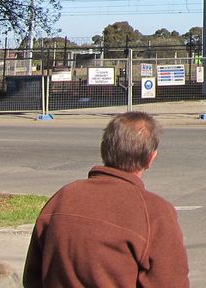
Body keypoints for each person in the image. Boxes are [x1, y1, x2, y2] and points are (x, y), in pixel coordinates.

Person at [23, 111, 190, 288]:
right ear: (151, 158)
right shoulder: (155, 213)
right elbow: (170, 282)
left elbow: (33, 276)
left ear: (104, 149)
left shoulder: (63, 197)